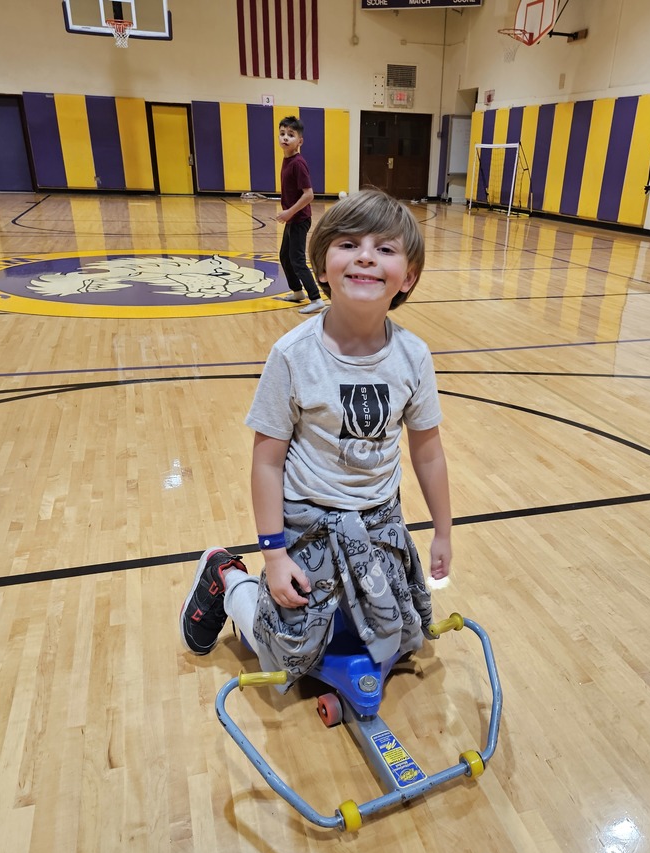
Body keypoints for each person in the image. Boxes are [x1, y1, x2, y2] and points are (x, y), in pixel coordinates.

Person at [180, 189, 452, 689]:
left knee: (405, 635)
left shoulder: (414, 356)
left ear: (407, 277)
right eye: (349, 244)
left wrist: (443, 531)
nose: (367, 256)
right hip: (309, 517)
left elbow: (428, 452)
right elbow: (266, 462)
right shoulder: (292, 355)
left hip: (379, 518)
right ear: (322, 267)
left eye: (386, 249)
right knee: (284, 652)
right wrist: (274, 555)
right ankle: (227, 578)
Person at [275, 115, 325, 315]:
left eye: (291, 135)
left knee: (296, 259)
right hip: (293, 219)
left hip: (299, 219)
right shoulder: (287, 160)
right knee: (284, 257)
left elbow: (308, 195)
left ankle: (316, 298)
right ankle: (297, 292)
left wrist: (288, 212)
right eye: (282, 134)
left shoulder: (298, 163)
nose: (285, 138)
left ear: (300, 141)